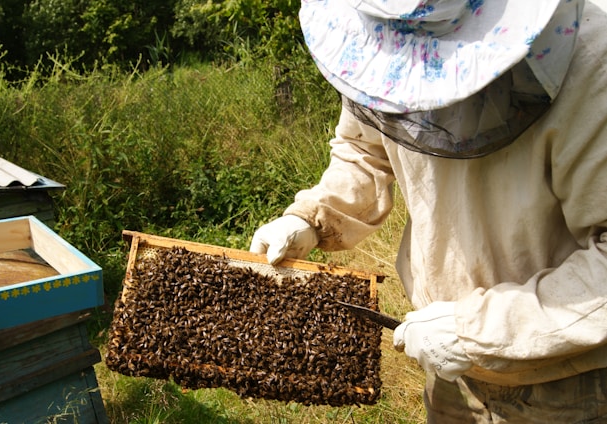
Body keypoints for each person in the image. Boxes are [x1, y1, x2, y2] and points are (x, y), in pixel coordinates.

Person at [249, 0, 607, 422]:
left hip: (566, 382)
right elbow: (364, 148)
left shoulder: (592, 64)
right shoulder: (378, 49)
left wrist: (479, 331)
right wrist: (311, 217)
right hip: (449, 367)